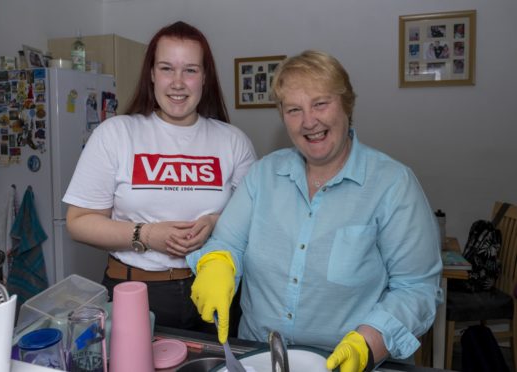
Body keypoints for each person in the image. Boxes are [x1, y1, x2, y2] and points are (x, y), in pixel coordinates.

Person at [187, 50, 442, 371]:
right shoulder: (262, 176)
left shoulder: (392, 184)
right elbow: (228, 242)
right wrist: (217, 263)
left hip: (345, 361)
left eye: (321, 104)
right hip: (258, 357)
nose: (309, 121)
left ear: (346, 104)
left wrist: (368, 342)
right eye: (294, 109)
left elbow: (417, 289)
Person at [63, 21, 256, 331]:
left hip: (214, 290)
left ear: (204, 77)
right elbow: (79, 222)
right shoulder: (116, 133)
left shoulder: (233, 141)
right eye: (167, 68)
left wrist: (215, 225)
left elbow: (254, 220)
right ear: (152, 74)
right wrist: (147, 235)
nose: (178, 83)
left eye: (190, 70)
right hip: (134, 291)